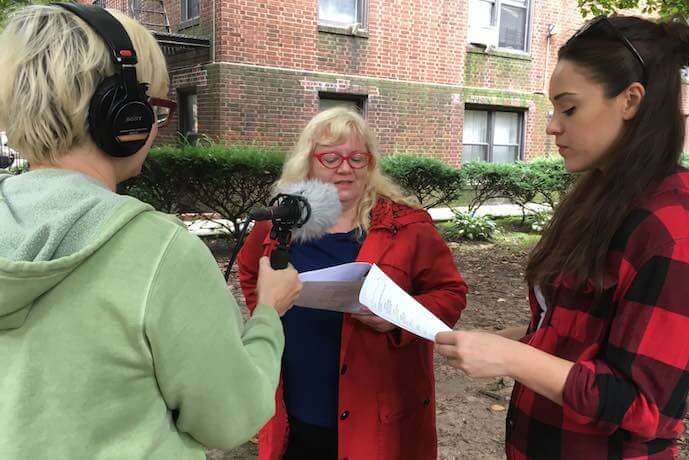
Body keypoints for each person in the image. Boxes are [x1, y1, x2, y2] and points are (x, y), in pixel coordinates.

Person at [0, 4, 301, 459]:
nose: (157, 128)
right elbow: (230, 417)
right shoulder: (159, 251)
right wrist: (269, 316)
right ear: (123, 117)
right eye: (156, 110)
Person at [435, 15, 689, 460]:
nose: (552, 126)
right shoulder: (601, 195)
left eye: (569, 108)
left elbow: (645, 406)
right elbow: (575, 327)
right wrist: (510, 338)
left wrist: (512, 359)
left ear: (631, 100)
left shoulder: (672, 230)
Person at [237, 107, 468, 459]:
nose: (345, 168)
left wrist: (398, 318)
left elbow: (451, 293)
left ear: (370, 164)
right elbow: (251, 270)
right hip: (293, 406)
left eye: (357, 158)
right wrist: (268, 311)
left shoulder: (409, 228)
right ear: (308, 163)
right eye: (330, 158)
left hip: (376, 415)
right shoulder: (279, 223)